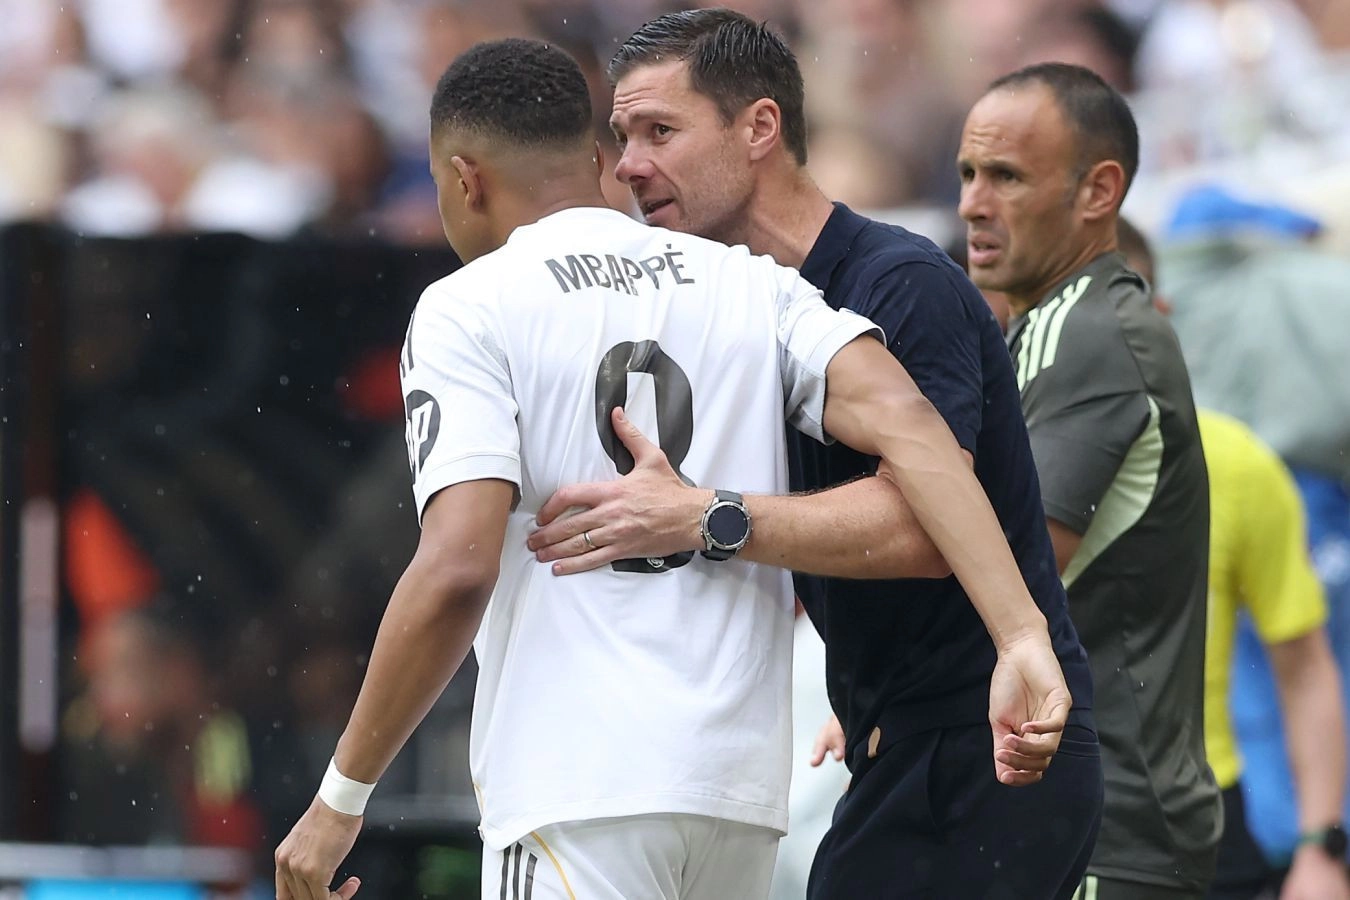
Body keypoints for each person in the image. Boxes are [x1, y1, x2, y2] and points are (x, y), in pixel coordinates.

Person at [272, 37, 1074, 900]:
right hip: (736, 794)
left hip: (578, 787)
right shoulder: (752, 283)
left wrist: (339, 800)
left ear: (464, 180)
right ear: (596, 160)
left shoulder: (467, 305)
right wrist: (1023, 636)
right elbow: (912, 428)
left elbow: (457, 568)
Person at [526, 10, 1102, 899]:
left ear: (760, 127)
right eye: (622, 137)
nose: (630, 165)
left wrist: (703, 517)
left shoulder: (900, 283)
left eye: (660, 131)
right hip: (902, 746)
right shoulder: (735, 305)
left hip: (984, 749)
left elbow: (922, 526)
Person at [957, 62, 1223, 898]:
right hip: (1076, 819)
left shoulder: (1092, 333)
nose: (973, 204)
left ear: (1098, 191)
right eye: (967, 173)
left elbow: (1003, 566)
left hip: (1108, 828)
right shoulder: (1045, 326)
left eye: (1006, 176)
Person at [1118, 218, 1350, 900]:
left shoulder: (1237, 463)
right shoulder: (988, 467)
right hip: (1036, 824)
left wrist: (1321, 846)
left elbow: (1306, 667)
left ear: (1163, 314)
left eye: (1118, 307)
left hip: (1206, 824)